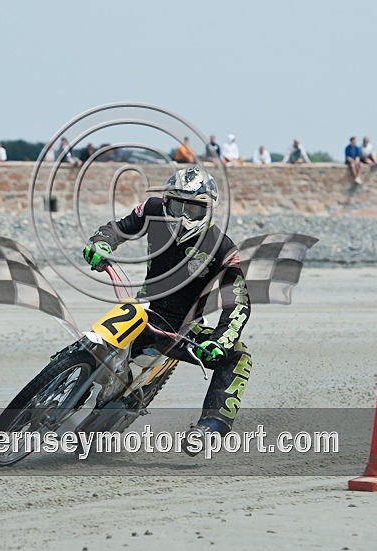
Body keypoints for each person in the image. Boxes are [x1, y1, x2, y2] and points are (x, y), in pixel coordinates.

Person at [82, 165, 251, 448]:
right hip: (143, 310)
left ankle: (211, 427)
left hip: (183, 330)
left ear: (208, 211)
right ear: (166, 201)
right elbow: (119, 228)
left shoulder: (223, 248)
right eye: (176, 205)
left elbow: (240, 302)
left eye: (193, 210)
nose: (184, 217)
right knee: (97, 337)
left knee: (239, 355)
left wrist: (221, 340)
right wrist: (101, 243)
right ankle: (69, 362)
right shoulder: (151, 209)